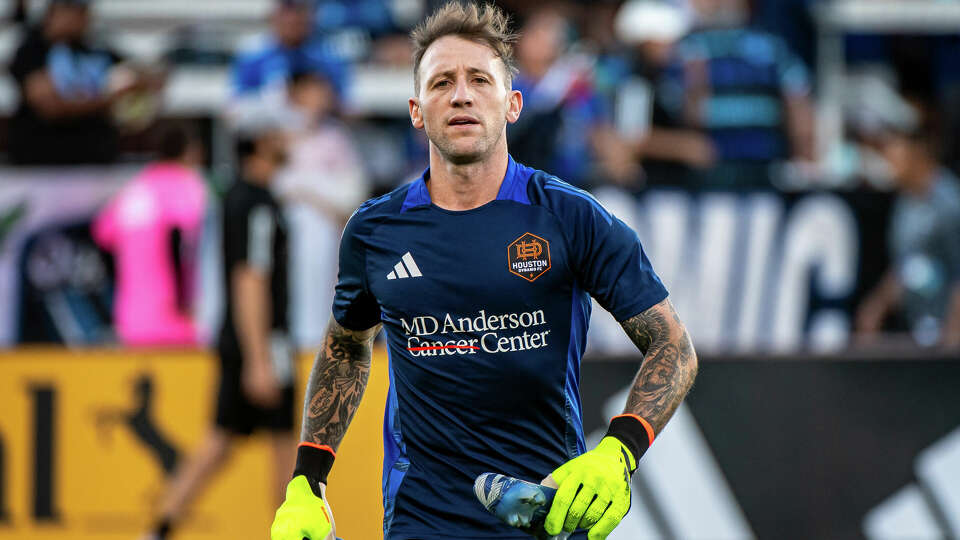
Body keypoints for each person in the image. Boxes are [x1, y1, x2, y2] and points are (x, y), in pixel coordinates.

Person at [271, 3, 697, 540]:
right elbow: (346, 347)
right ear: (416, 110)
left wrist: (619, 452)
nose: (461, 94)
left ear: (513, 103)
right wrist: (308, 483)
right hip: (420, 522)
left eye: (480, 79)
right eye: (441, 82)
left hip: (543, 520)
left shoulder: (571, 218)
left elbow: (673, 346)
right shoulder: (375, 231)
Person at [142, 129, 295, 540]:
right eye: (280, 134)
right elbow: (250, 278)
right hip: (261, 341)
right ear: (261, 142)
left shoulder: (235, 198)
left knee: (221, 441)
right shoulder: (256, 204)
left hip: (241, 338)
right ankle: (292, 533)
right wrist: (260, 357)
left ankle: (160, 527)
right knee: (284, 446)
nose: (288, 139)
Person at [673, 0, 815, 188]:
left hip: (767, 167)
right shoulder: (688, 48)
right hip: (710, 172)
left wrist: (803, 158)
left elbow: (798, 102)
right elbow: (689, 115)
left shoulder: (773, 47)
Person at [276, 70, 369, 348]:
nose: (321, 99)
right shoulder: (277, 138)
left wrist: (310, 195)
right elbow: (276, 185)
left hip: (330, 235)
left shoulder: (336, 139)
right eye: (313, 91)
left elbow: (353, 193)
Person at [92, 124, 206, 346]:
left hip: (132, 319)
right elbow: (182, 244)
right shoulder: (189, 188)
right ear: (190, 151)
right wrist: (185, 302)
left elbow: (102, 235)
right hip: (178, 320)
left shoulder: (134, 189)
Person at [856, 123, 960, 348]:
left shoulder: (950, 204)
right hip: (917, 328)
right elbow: (905, 263)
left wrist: (954, 332)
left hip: (946, 332)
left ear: (917, 154)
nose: (889, 165)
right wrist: (877, 306)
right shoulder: (904, 202)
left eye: (895, 155)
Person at [7, 0, 147, 165]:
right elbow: (49, 106)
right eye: (72, 10)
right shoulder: (33, 50)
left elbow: (143, 75)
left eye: (83, 11)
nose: (81, 17)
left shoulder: (99, 48)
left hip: (97, 159)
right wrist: (108, 99)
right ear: (53, 12)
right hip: (43, 160)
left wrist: (139, 85)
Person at [228, 0, 348, 129]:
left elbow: (347, 107)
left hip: (317, 133)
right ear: (274, 17)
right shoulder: (253, 55)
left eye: (299, 12)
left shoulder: (328, 56)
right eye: (287, 12)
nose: (293, 18)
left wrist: (320, 103)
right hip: (267, 134)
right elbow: (234, 111)